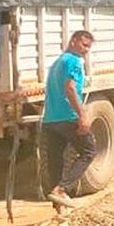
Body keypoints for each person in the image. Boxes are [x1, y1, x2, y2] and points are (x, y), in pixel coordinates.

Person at [42, 31, 95, 209]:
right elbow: (70, 89)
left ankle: (58, 205)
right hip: (68, 116)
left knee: (56, 159)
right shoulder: (74, 61)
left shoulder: (58, 62)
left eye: (89, 47)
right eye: (84, 45)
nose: (86, 50)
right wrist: (82, 115)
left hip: (50, 119)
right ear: (73, 41)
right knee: (88, 151)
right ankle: (62, 190)